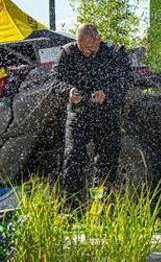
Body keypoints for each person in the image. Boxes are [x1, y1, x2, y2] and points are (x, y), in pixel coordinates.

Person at [55, 24, 132, 203]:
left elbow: (126, 79)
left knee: (106, 161)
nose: (86, 52)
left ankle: (100, 205)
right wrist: (68, 92)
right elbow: (55, 80)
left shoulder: (115, 52)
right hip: (79, 112)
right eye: (82, 48)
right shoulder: (68, 53)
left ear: (98, 38)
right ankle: (71, 205)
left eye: (90, 47)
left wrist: (107, 93)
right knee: (73, 157)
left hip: (106, 113)